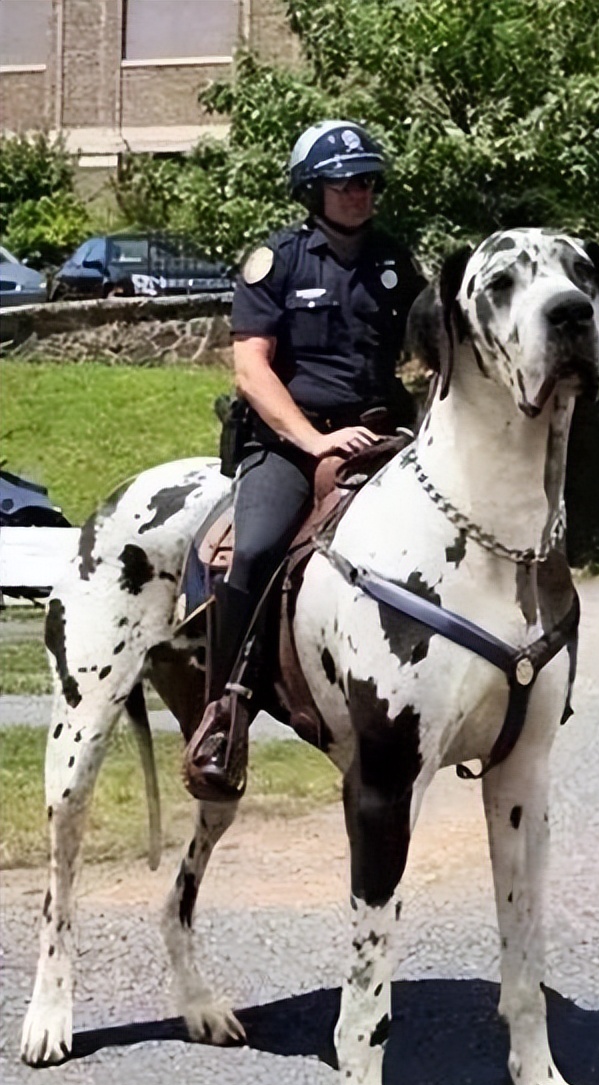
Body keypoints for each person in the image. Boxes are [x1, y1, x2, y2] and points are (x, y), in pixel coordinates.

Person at [183, 120, 426, 801]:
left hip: (382, 436)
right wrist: (314, 441)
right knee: (256, 550)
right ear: (312, 190)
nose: (359, 192)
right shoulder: (277, 261)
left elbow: (434, 347)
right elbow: (251, 371)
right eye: (345, 182)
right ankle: (224, 712)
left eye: (369, 181)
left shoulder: (394, 262)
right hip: (290, 444)